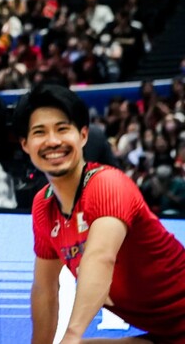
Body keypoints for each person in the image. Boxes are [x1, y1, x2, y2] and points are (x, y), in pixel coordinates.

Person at [13, 84, 185, 343]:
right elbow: (45, 289)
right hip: (166, 335)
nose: (53, 141)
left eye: (62, 129)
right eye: (40, 132)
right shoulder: (43, 206)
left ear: (83, 135)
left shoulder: (107, 184)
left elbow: (101, 258)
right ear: (25, 144)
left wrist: (72, 336)